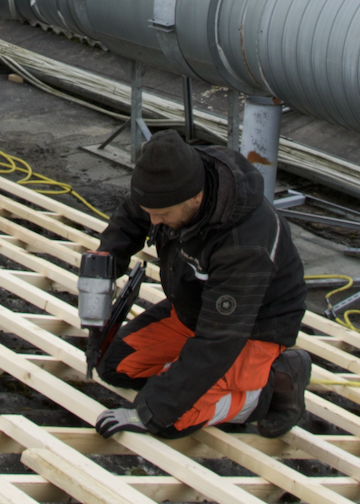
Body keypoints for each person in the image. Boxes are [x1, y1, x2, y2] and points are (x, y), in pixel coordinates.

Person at [87, 130, 311, 439]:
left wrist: (151, 409)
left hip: (248, 330)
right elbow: (133, 214)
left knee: (166, 420)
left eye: (161, 215)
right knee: (113, 364)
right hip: (193, 308)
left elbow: (218, 340)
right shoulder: (172, 182)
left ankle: (273, 386)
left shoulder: (244, 244)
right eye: (151, 212)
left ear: (195, 197)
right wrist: (103, 265)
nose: (153, 222)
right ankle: (191, 379)